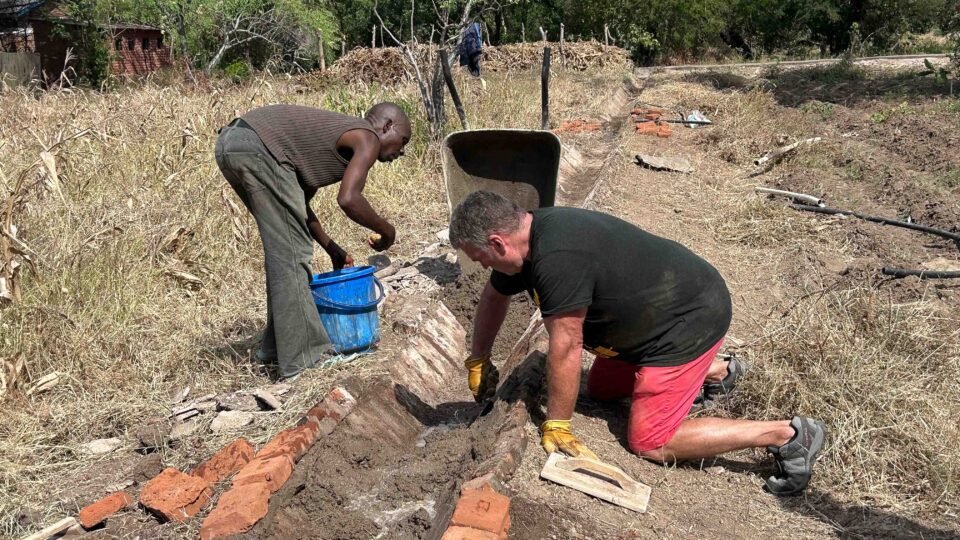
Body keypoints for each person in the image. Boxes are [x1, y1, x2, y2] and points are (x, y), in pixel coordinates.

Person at [449, 190, 827, 496]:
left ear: (498, 242)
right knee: (601, 389)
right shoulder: (527, 239)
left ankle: (788, 435)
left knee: (651, 441)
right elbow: (494, 298)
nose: (482, 266)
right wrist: (478, 359)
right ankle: (717, 373)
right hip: (649, 317)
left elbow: (566, 345)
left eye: (480, 257)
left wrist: (558, 424)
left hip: (687, 321)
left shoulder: (557, 258)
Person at [214, 103, 411, 380]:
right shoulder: (367, 137)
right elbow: (349, 199)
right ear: (387, 126)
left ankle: (274, 348)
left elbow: (298, 208)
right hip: (257, 146)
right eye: (403, 140)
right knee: (292, 255)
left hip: (232, 144)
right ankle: (304, 359)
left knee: (283, 250)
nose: (402, 151)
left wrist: (331, 247)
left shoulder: (316, 146)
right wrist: (387, 231)